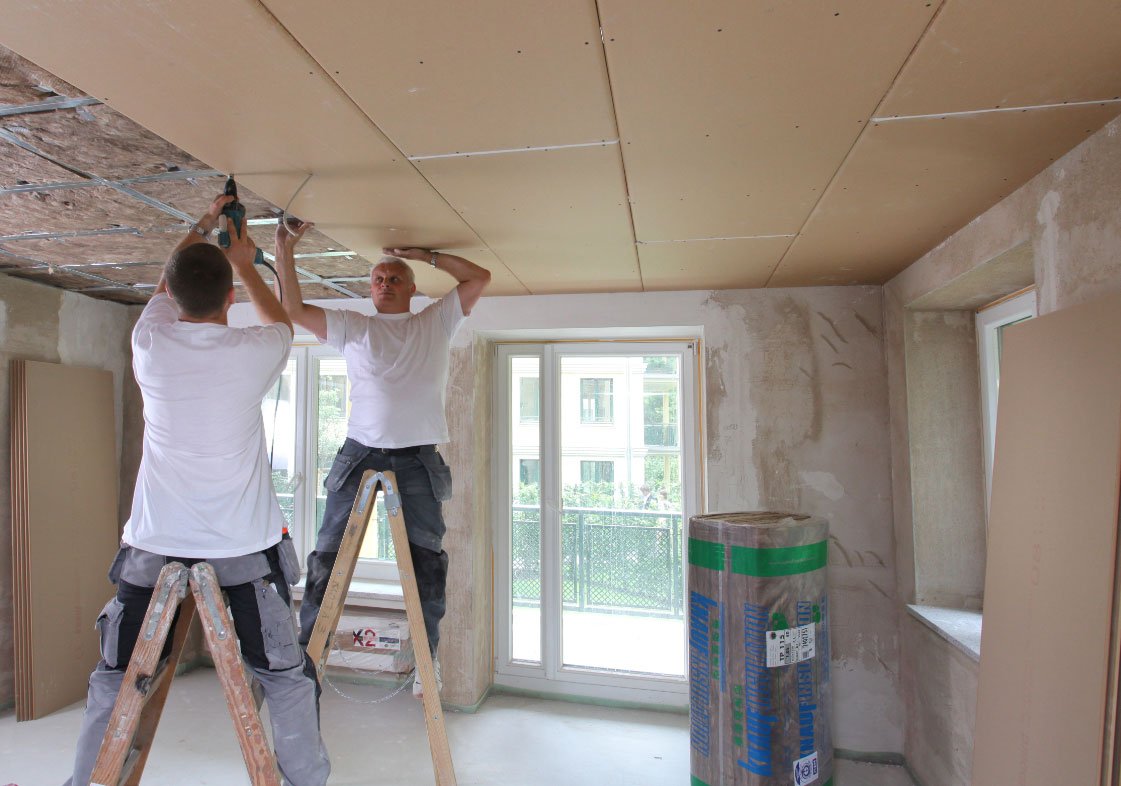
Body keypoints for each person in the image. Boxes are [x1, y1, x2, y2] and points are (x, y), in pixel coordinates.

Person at [64, 196, 330, 786]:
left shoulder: (149, 342)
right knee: (284, 677)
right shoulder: (253, 351)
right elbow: (283, 324)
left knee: (115, 678)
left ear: (172, 295)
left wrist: (205, 224)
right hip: (241, 550)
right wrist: (245, 261)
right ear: (230, 298)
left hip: (153, 544)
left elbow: (170, 277)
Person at [276, 243, 490, 698]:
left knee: (427, 562)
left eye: (395, 279)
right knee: (327, 558)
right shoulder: (353, 326)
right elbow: (292, 309)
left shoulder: (434, 321)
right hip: (360, 453)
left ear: (412, 288)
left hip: (417, 458)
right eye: (378, 279)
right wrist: (284, 248)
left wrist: (426, 255)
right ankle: (308, 655)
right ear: (369, 289)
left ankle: (426, 659)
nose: (385, 284)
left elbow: (479, 278)